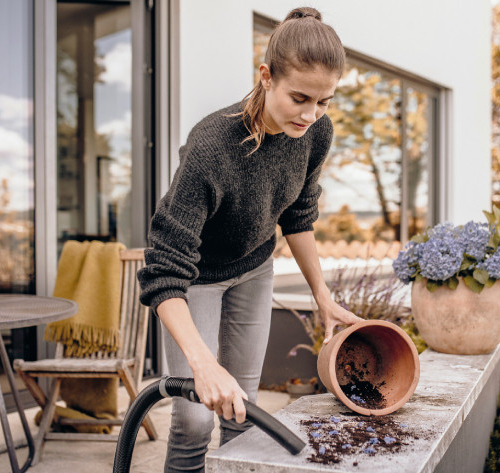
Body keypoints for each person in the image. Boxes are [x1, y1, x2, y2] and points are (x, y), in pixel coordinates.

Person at [137, 7, 362, 473]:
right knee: (196, 418)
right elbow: (163, 270)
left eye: (324, 102)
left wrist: (322, 294)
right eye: (300, 97)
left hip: (255, 269)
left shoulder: (316, 132)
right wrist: (203, 363)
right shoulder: (212, 146)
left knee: (244, 410)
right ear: (266, 76)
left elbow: (299, 214)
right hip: (194, 279)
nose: (311, 114)